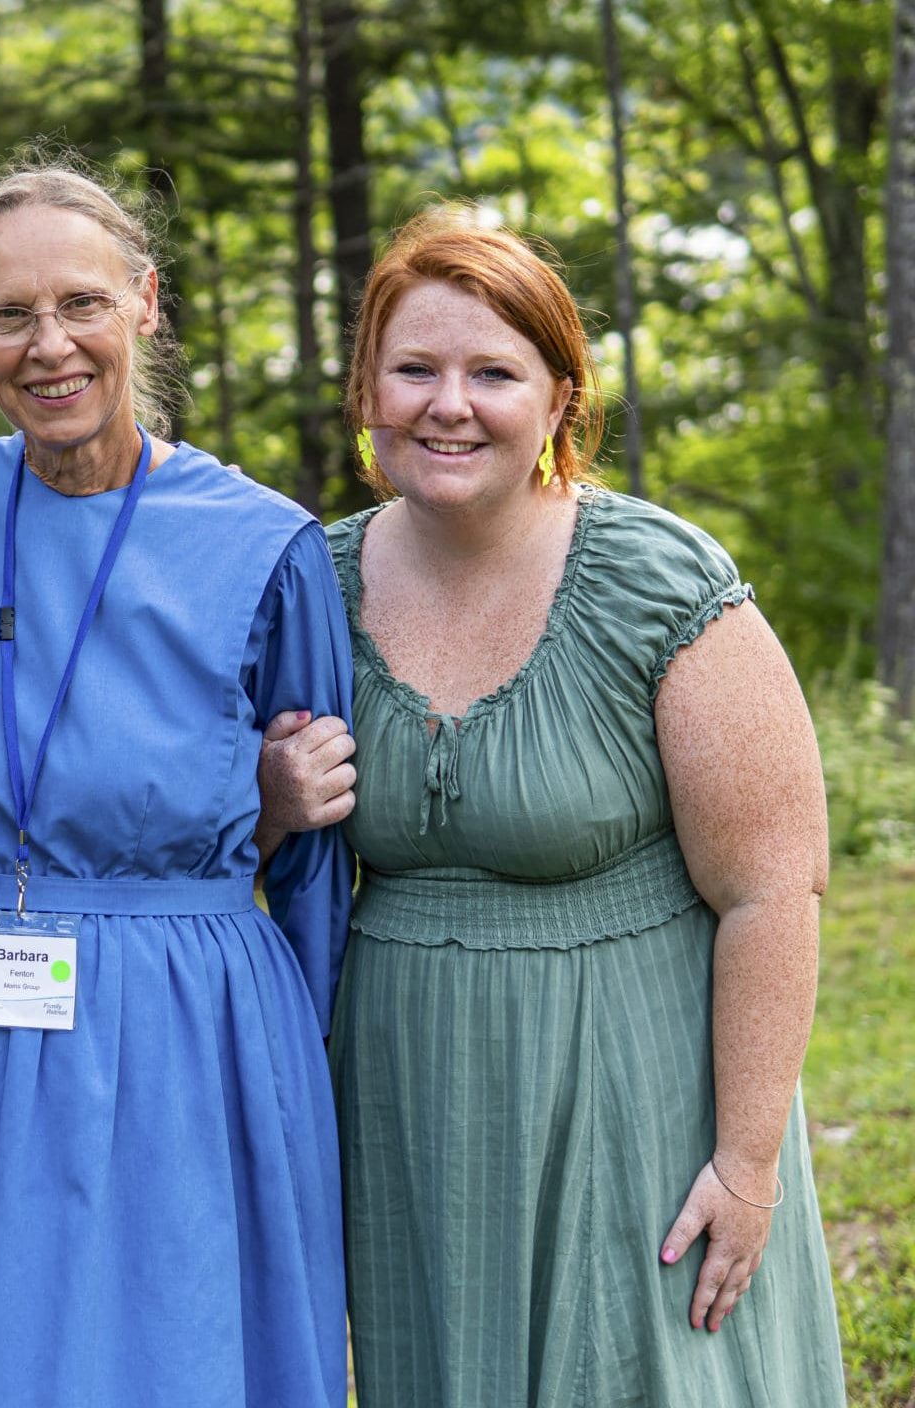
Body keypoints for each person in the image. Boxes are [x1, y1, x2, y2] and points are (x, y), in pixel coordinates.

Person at [279, 205, 845, 1405]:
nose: (449, 403)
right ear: (364, 391)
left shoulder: (655, 580)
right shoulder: (308, 585)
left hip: (639, 1090)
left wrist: (743, 1165)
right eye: (414, 368)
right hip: (415, 1105)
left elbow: (770, 886)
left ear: (557, 397)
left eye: (492, 371)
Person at [0, 160, 356, 1407]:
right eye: (8, 314)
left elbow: (319, 868)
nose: (47, 345)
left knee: (169, 1354)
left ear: (145, 301)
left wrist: (288, 1073)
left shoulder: (262, 542)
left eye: (79, 302)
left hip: (186, 1025)